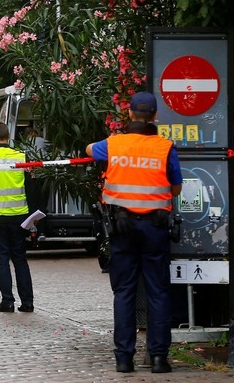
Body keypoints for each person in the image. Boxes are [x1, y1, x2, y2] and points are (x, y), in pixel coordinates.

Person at [86, 91, 183, 374]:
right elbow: (175, 187)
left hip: (122, 226)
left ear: (129, 114)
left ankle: (124, 359)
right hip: (155, 227)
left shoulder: (114, 144)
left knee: (124, 292)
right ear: (154, 116)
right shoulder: (165, 147)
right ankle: (158, 359)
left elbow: (90, 150)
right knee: (158, 292)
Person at [0, 122, 34, 314]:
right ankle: (27, 303)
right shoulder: (20, 156)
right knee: (20, 258)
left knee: (1, 259)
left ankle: (7, 301)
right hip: (19, 215)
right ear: (9, 136)